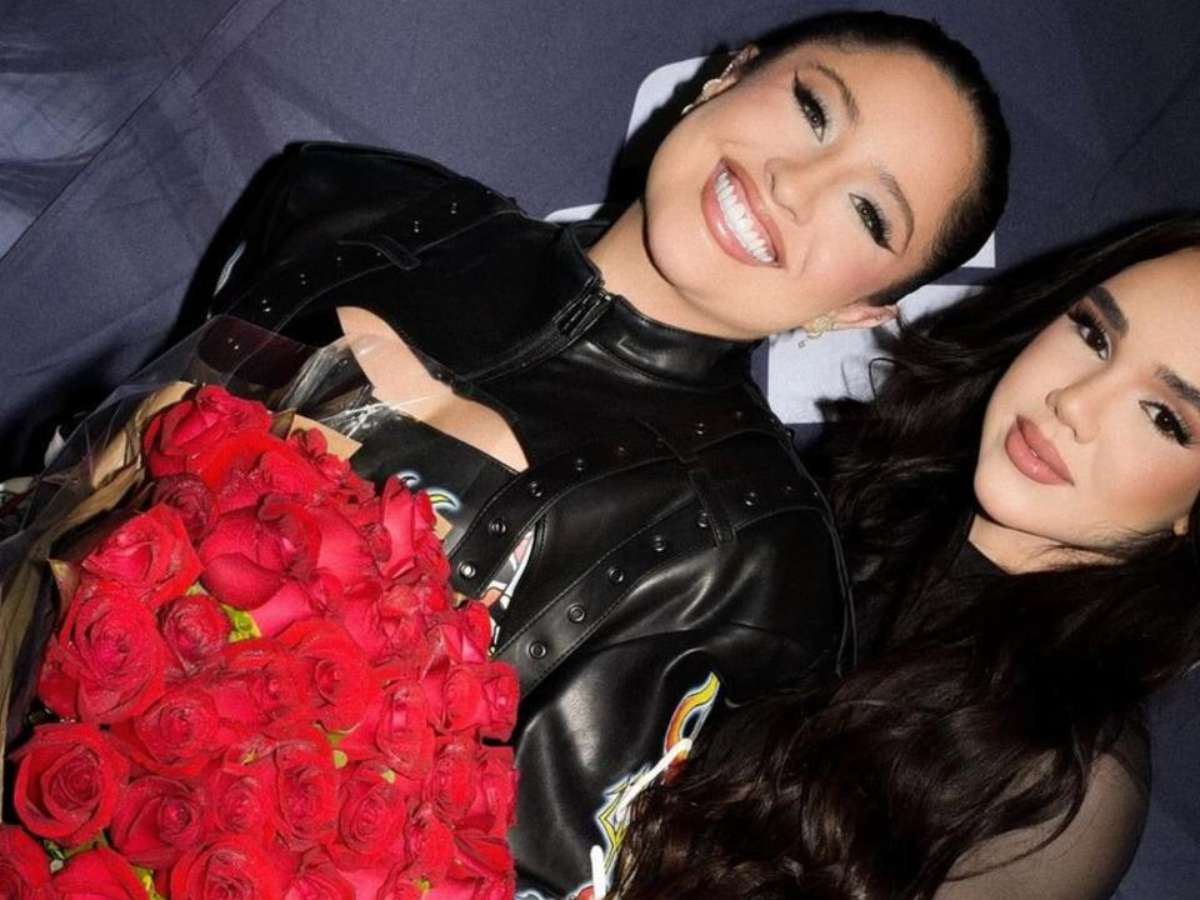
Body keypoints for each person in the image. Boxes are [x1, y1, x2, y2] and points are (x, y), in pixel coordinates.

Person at [202, 11, 1009, 895]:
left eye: (867, 211)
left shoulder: (762, 573)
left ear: (861, 310)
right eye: (814, 109)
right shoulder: (360, 203)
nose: (793, 184)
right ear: (729, 74)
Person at [613, 216, 1200, 900]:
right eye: (1094, 334)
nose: (1073, 402)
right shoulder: (827, 500)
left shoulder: (1061, 790)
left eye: (1164, 417)